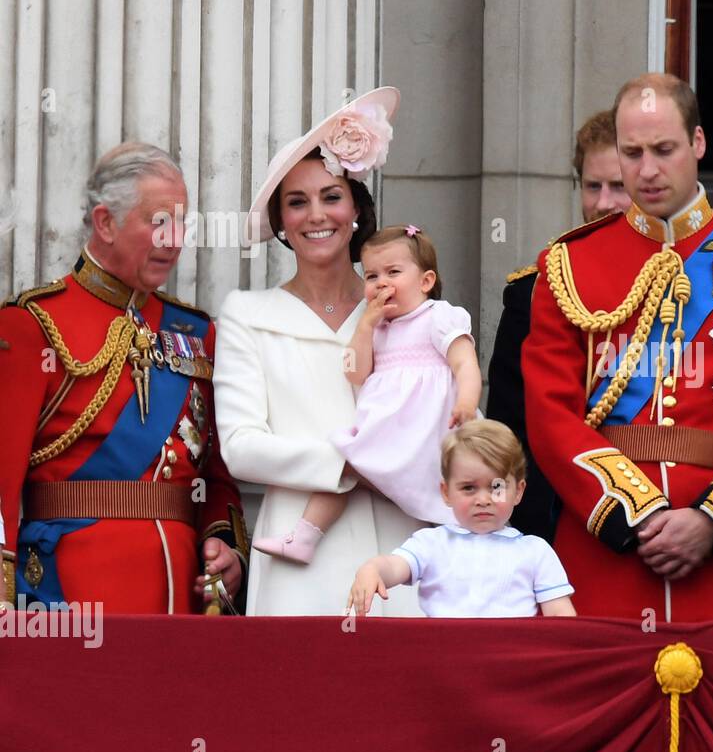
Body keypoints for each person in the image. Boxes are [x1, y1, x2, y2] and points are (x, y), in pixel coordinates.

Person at [523, 72, 713, 622]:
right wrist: (631, 515)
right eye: (632, 153)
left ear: (698, 143)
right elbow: (547, 414)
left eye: (665, 149)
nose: (648, 170)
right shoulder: (568, 263)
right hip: (602, 548)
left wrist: (712, 520)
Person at [0, 142, 247, 613]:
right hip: (66, 595)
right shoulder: (29, 325)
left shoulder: (195, 332)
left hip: (182, 597)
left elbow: (219, 472)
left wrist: (225, 548)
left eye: (181, 223)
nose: (174, 240)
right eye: (158, 222)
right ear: (105, 222)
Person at [215, 87, 424, 616]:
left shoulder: (406, 305)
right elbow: (241, 446)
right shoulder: (247, 314)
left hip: (404, 549)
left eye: (331, 196)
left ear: (357, 208)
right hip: (297, 557)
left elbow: (456, 423)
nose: (316, 215)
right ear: (282, 222)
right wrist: (351, 463)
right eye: (297, 202)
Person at [252, 224, 481, 562]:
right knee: (345, 464)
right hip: (390, 431)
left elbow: (465, 364)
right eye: (371, 276)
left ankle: (449, 561)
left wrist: (466, 402)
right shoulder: (379, 328)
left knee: (439, 498)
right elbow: (354, 371)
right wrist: (365, 326)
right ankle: (304, 535)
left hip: (430, 431)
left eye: (393, 272)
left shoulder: (438, 317)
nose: (381, 283)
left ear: (426, 281)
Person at [486, 110, 631, 540]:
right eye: (593, 186)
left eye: (619, 186)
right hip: (554, 525)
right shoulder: (533, 291)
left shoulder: (681, 289)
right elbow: (509, 432)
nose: (604, 202)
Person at [347, 419, 576, 617]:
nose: (483, 499)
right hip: (445, 657)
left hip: (511, 660)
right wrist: (373, 568)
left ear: (518, 491)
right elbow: (394, 566)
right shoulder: (431, 543)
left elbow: (560, 615)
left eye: (496, 487)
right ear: (446, 492)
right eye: (468, 488)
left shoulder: (536, 551)